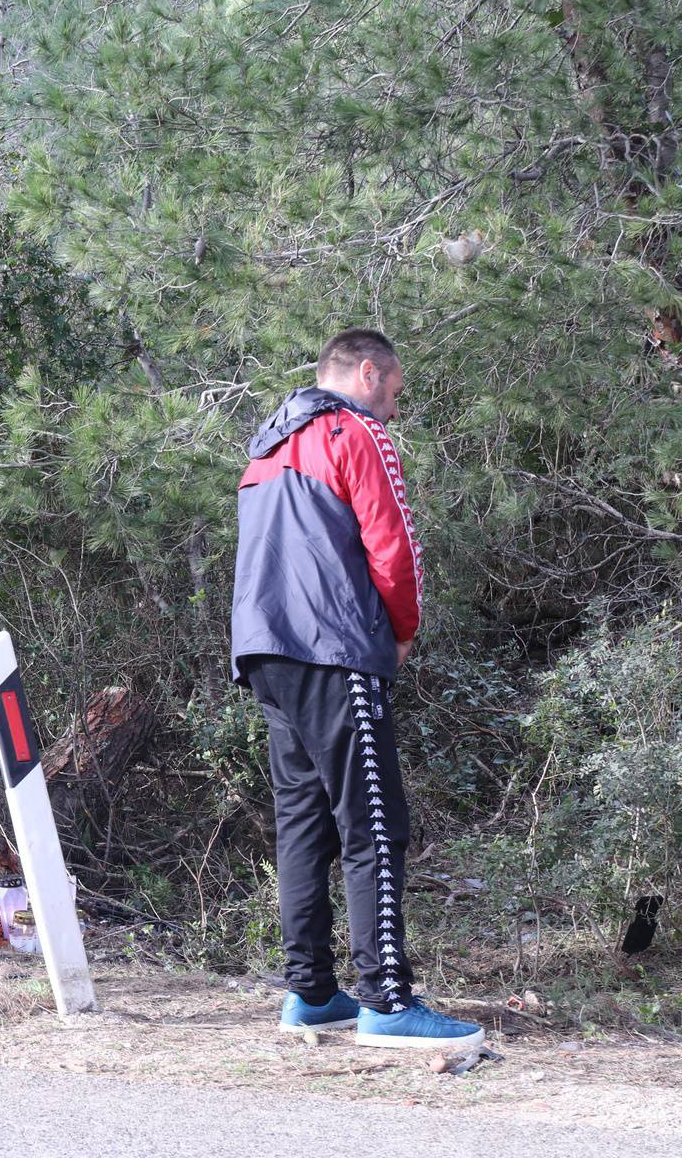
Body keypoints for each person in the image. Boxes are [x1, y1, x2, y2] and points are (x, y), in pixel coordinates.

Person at [231, 329, 483, 1049]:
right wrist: (402, 628)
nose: (395, 410)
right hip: (334, 647)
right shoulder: (355, 430)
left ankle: (310, 993)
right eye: (396, 393)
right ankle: (387, 1001)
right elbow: (391, 539)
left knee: (304, 825)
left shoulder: (267, 445)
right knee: (375, 824)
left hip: (265, 650)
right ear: (368, 373)